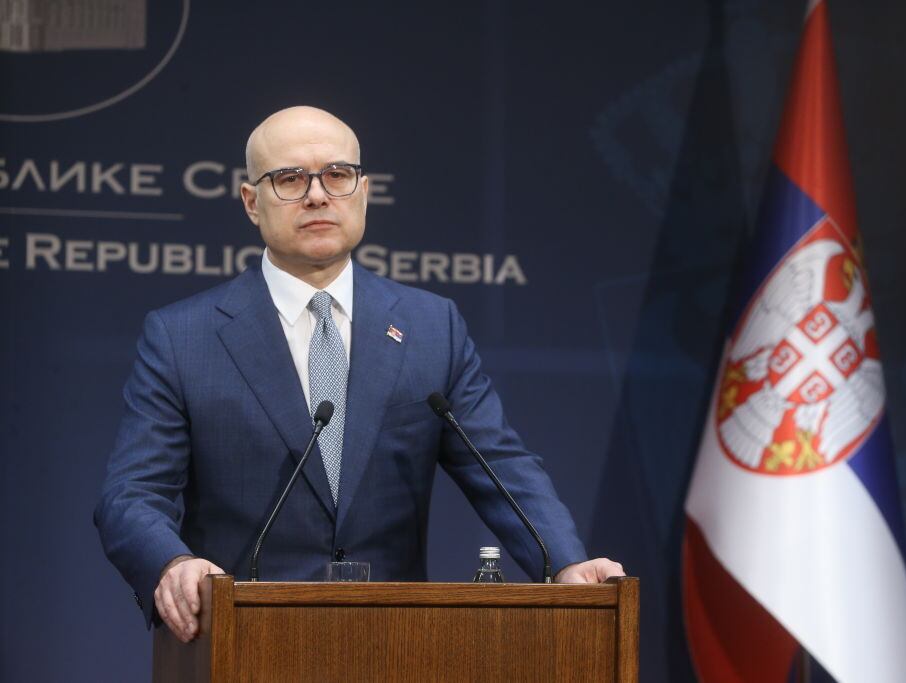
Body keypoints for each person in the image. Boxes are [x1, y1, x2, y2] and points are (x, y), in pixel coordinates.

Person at [95, 106, 624, 644]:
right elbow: (131, 495)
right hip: (240, 640)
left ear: (363, 192)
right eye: (290, 179)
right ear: (252, 202)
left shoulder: (430, 326)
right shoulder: (183, 337)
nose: (317, 195)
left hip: (392, 642)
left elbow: (501, 467)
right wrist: (172, 564)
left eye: (337, 175)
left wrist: (565, 563)